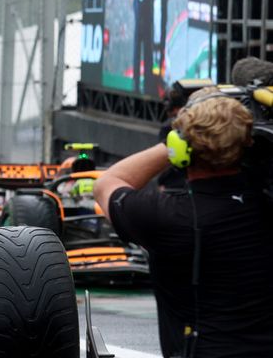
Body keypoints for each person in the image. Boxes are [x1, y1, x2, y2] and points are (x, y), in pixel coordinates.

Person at [94, 92, 273, 357]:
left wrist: (171, 144)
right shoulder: (265, 206)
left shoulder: (164, 216)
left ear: (181, 151)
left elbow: (107, 183)